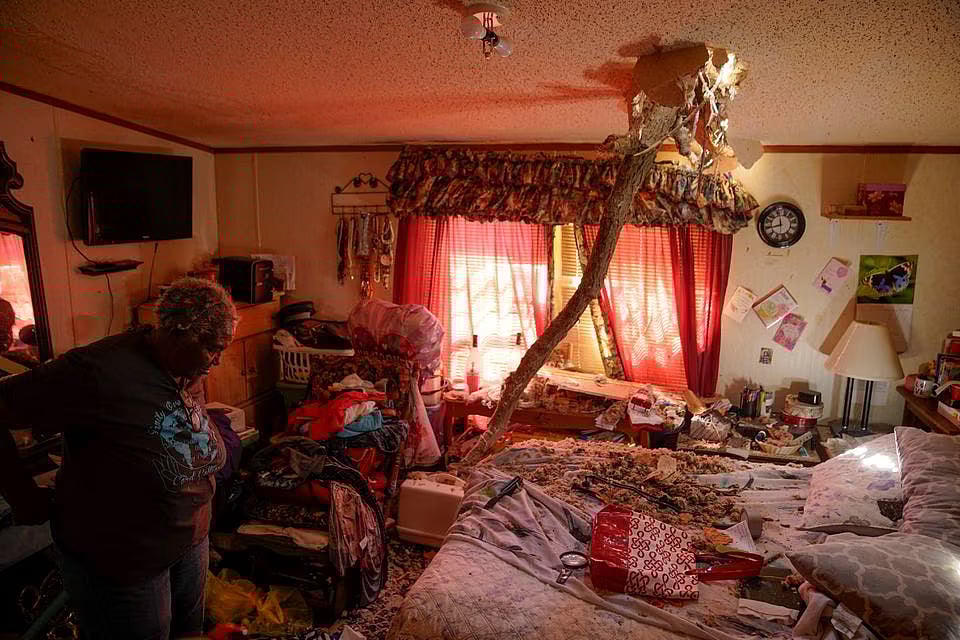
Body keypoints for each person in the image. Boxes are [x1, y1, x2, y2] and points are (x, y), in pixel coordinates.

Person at [0, 277, 238, 639]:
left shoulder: (185, 365)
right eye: (212, 349)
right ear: (177, 332)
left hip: (188, 543)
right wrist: (21, 494)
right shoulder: (95, 372)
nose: (218, 360)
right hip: (125, 559)